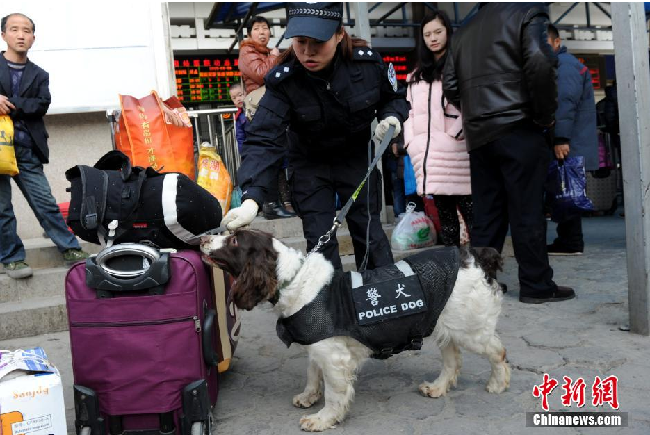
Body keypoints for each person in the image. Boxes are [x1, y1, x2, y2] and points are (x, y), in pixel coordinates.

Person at [223, 2, 408, 270]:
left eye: (318, 42)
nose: (308, 51)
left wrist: (391, 116)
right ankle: (330, 296)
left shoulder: (366, 64)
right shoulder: (284, 80)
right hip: (309, 165)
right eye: (300, 41)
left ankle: (379, 292)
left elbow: (394, 97)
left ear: (339, 34)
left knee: (370, 235)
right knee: (320, 243)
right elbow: (264, 137)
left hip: (356, 159)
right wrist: (252, 197)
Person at [443, 3, 575, 304]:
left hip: (479, 133)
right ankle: (536, 285)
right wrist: (544, 116)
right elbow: (540, 62)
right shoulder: (528, 13)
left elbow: (450, 85)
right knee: (526, 210)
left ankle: (479, 286)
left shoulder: (464, 30)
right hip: (519, 126)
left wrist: (476, 111)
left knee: (487, 214)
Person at [0, 13, 88, 280]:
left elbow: (41, 105)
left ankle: (70, 248)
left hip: (27, 148)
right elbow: (32, 105)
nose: (20, 35)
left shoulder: (39, 74)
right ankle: (12, 258)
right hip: (0, 148)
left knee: (45, 203)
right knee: (2, 209)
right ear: (3, 35)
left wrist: (10, 103)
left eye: (26, 30)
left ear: (33, 38)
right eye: (14, 29)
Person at [404, 11, 471, 248]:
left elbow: (472, 103)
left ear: (448, 32)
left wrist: (455, 134)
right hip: (430, 155)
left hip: (458, 152)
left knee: (473, 216)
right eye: (427, 34)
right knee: (446, 219)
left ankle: (483, 267)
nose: (433, 38)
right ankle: (454, 267)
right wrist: (411, 141)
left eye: (438, 32)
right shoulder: (416, 75)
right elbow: (411, 112)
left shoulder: (462, 64)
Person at [546, 24, 599, 256]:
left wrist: (561, 138)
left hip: (569, 141)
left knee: (566, 189)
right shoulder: (563, 63)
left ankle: (572, 242)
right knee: (566, 188)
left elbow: (565, 104)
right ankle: (568, 240)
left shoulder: (564, 65)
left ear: (557, 42)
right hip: (572, 140)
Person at [238, 15, 294, 219]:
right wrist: (275, 57)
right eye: (257, 28)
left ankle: (276, 203)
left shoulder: (266, 52)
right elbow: (261, 74)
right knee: (268, 155)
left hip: (270, 106)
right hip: (261, 106)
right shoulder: (247, 51)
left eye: (265, 28)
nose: (262, 32)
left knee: (277, 154)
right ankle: (270, 204)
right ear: (249, 34)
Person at [228, 83, 247, 153]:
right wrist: (243, 153)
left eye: (240, 95)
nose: (238, 99)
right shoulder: (239, 117)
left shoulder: (256, 108)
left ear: (247, 93)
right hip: (250, 149)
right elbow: (240, 137)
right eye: (234, 98)